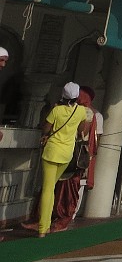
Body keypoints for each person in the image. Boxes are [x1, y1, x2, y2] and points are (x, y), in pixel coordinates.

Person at [37, 82, 89, 237]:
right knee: (51, 187)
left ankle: (42, 228)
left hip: (52, 152)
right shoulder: (80, 111)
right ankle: (45, 224)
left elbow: (45, 128)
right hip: (66, 154)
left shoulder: (57, 110)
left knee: (47, 189)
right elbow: (81, 130)